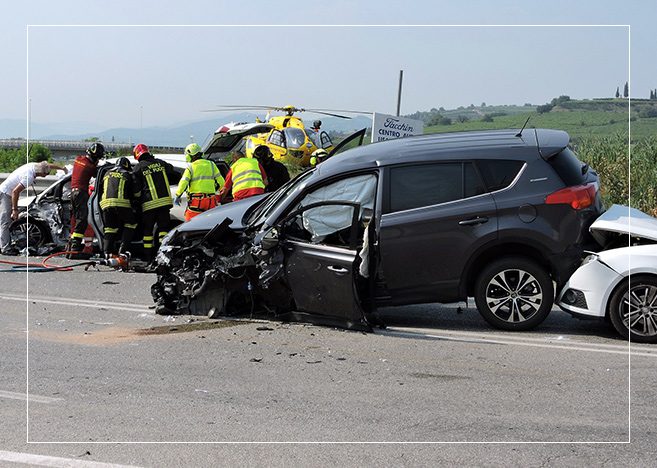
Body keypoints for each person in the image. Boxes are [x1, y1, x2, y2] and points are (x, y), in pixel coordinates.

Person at [0, 161, 67, 255]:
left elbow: (47, 165)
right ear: (41, 173)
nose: (45, 176)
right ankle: (5, 249)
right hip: (6, 194)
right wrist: (15, 210)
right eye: (45, 174)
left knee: (5, 221)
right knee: (5, 222)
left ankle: (4, 244)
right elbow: (15, 192)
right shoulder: (29, 177)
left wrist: (62, 168)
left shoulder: (34, 166)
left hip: (6, 191)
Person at [132, 143, 175, 263]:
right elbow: (172, 171)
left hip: (149, 205)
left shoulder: (138, 168)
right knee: (164, 230)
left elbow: (136, 190)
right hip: (164, 203)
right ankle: (164, 255)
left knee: (147, 232)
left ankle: (148, 258)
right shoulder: (161, 163)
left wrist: (135, 199)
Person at [68, 142, 104, 256]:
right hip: (81, 193)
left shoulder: (78, 159)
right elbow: (96, 174)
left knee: (76, 220)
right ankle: (75, 249)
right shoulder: (90, 167)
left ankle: (70, 248)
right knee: (82, 221)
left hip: (73, 194)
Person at [98, 157, 138, 257]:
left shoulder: (107, 173)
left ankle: (107, 253)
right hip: (122, 204)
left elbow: (100, 189)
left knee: (110, 228)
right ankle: (123, 250)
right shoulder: (127, 174)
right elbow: (136, 193)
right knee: (131, 224)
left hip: (106, 204)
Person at [173, 143, 224, 221]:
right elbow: (221, 182)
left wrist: (178, 195)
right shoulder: (212, 164)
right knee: (210, 222)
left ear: (190, 155)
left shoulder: (191, 167)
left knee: (191, 223)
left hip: (197, 201)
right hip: (211, 200)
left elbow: (183, 182)